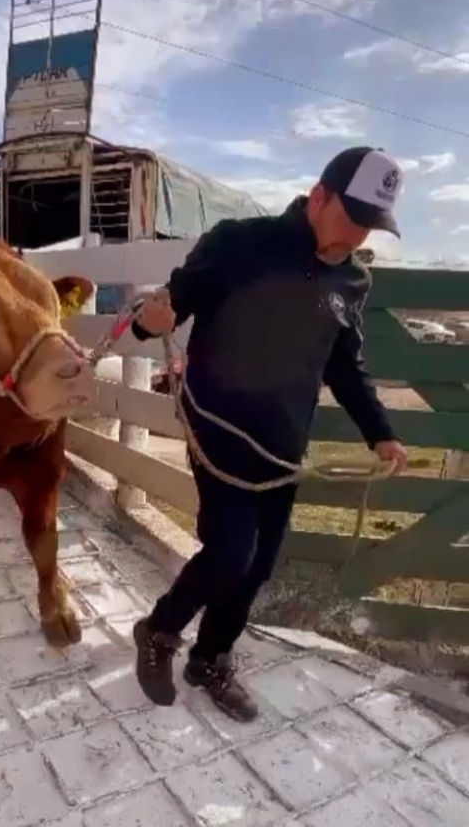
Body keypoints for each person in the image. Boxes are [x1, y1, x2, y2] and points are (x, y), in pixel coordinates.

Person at [130, 145, 409, 721]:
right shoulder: (240, 243)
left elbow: (344, 365)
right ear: (318, 196)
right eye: (350, 216)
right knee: (232, 552)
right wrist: (146, 320)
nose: (356, 234)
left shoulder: (353, 281)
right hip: (220, 429)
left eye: (370, 225)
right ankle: (159, 630)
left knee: (259, 564)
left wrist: (379, 432)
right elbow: (169, 307)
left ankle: (210, 659)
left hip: (285, 445)